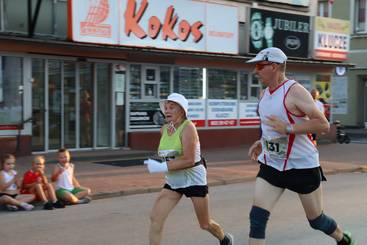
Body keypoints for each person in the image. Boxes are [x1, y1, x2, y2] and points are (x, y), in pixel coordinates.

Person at [246, 47, 354, 245]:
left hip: (302, 167)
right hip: (272, 165)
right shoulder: (263, 95)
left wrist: (287, 128)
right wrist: (262, 142)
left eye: (260, 66)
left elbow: (322, 124)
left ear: (275, 66)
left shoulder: (294, 91)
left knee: (316, 220)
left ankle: (342, 238)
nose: (256, 71)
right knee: (257, 219)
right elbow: (271, 128)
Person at [144, 93, 233, 245]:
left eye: (172, 107)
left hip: (194, 181)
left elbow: (189, 159)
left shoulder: (188, 128)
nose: (167, 110)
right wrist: (157, 162)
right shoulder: (164, 130)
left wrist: (161, 166)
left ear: (182, 110)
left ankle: (224, 239)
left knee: (205, 224)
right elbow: (169, 153)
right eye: (166, 107)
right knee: (155, 218)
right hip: (174, 181)